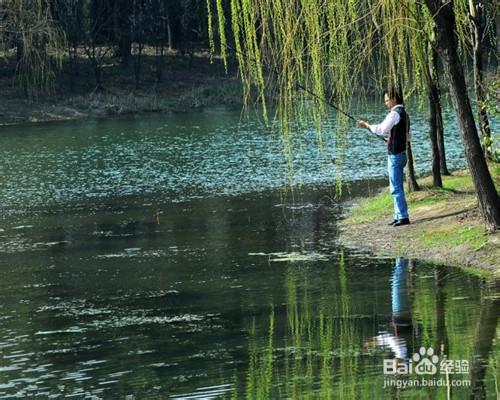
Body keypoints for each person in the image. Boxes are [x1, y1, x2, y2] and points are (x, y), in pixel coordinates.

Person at [357, 88, 410, 226]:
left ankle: (403, 216)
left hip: (395, 156)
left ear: (393, 99)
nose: (386, 103)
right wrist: (392, 139)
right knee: (396, 185)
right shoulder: (405, 113)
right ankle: (398, 215)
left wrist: (366, 125)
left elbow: (381, 129)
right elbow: (408, 136)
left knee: (396, 187)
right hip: (402, 154)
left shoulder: (394, 114)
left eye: (387, 100)